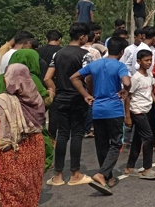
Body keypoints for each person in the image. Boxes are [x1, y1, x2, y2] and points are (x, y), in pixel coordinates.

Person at [69, 36, 131, 195]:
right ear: (122, 51)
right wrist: (125, 90)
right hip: (114, 110)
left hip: (98, 109)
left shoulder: (95, 64)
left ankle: (108, 178)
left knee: (101, 144)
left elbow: (74, 77)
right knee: (116, 143)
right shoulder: (119, 66)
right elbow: (128, 82)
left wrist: (85, 94)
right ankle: (102, 174)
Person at [44, 22, 93, 187]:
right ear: (82, 37)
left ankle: (57, 175)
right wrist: (88, 93)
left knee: (62, 135)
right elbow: (87, 78)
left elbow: (47, 78)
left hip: (61, 99)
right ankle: (75, 173)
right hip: (78, 99)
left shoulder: (58, 54)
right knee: (77, 135)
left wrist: (54, 89)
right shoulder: (85, 54)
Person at [0, 63, 46, 206]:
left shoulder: (1, 103)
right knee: (30, 187)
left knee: (11, 191)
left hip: (12, 154)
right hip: (35, 149)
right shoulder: (37, 99)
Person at [124, 49, 155, 180]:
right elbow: (128, 97)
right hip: (137, 111)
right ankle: (147, 168)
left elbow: (150, 91)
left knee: (138, 139)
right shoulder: (136, 78)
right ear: (139, 61)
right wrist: (127, 115)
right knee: (148, 137)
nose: (149, 63)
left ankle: (130, 167)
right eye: (146, 60)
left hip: (147, 110)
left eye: (150, 60)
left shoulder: (149, 75)